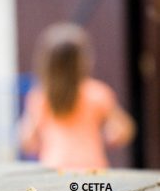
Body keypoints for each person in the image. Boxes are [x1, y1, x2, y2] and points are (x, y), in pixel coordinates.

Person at [19, 22, 135, 170]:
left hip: (54, 168)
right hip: (92, 168)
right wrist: (109, 136)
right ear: (83, 60)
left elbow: (28, 141)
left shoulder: (40, 96)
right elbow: (122, 132)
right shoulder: (98, 93)